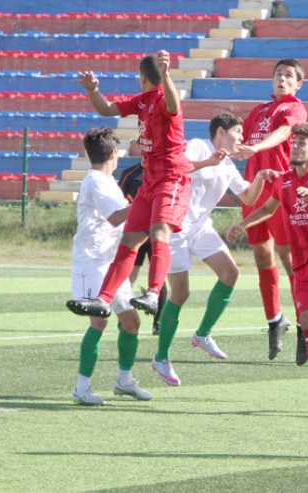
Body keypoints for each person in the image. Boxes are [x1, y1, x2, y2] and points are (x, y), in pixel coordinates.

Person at [228, 124, 308, 417]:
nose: (294, 147)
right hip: (303, 263)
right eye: (293, 143)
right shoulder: (284, 181)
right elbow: (268, 208)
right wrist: (243, 223)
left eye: (301, 144)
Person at [66, 50, 197, 320]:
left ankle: (152, 292)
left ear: (142, 77)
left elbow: (173, 106)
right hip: (150, 182)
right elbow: (106, 109)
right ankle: (104, 299)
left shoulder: (163, 97)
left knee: (159, 231)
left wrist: (168, 75)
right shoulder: (142, 101)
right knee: (129, 240)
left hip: (171, 179)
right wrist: (93, 90)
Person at [151, 113, 277, 386]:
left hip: (200, 227)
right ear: (221, 132)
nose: (242, 138)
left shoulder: (229, 165)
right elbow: (173, 167)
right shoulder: (198, 146)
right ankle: (161, 358)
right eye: (238, 132)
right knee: (181, 293)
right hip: (176, 227)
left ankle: (202, 334)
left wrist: (262, 177)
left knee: (231, 273)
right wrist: (207, 161)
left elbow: (248, 197)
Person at [70, 127, 152, 405]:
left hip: (111, 261)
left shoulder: (107, 181)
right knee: (99, 320)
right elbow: (117, 218)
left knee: (131, 321)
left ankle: (124, 382)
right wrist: (147, 199)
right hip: (92, 262)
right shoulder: (95, 181)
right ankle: (82, 387)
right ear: (114, 154)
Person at [235, 59, 308, 363]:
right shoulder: (258, 110)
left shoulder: (294, 108)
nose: (282, 78)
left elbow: (283, 133)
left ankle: (306, 325)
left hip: (280, 189)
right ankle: (275, 320)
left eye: (288, 75)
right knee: (262, 256)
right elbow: (242, 137)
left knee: (289, 259)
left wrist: (257, 148)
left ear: (297, 84)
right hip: (254, 189)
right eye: (278, 74)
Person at [117, 160, 168, 335]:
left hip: (155, 233)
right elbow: (120, 200)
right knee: (128, 275)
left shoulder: (162, 174)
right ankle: (124, 314)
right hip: (136, 232)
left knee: (158, 278)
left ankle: (159, 322)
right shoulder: (130, 174)